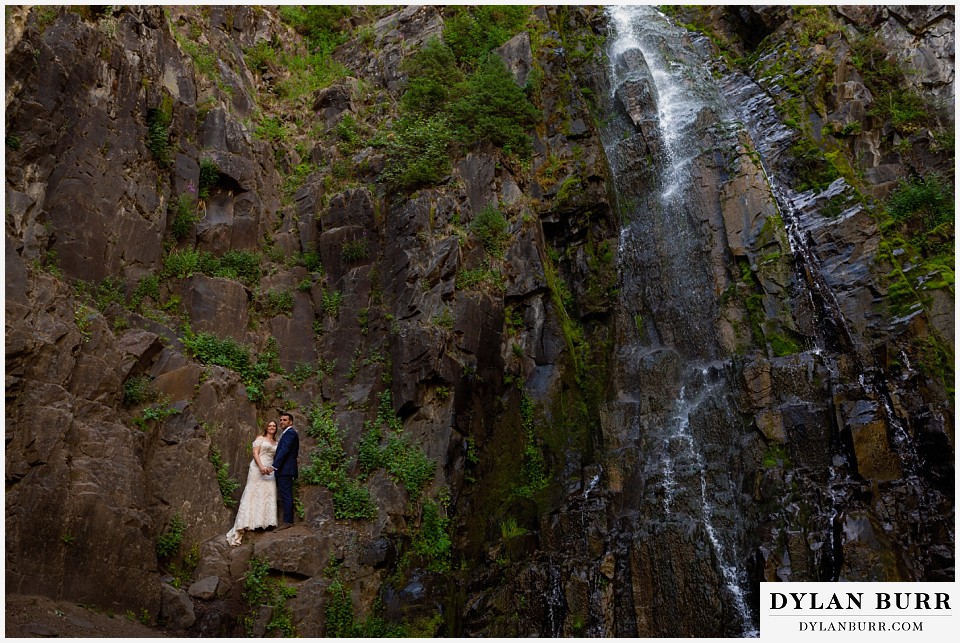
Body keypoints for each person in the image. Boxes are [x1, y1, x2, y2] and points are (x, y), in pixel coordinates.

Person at [226, 421, 279, 546]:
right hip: (257, 468)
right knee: (253, 492)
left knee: (268, 493)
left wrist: (271, 468)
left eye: (274, 426)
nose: (272, 427)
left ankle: (265, 522)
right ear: (266, 427)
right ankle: (247, 522)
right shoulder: (260, 438)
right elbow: (255, 453)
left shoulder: (277, 442)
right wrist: (261, 467)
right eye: (270, 425)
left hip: (270, 470)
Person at [272, 411, 300, 529]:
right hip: (284, 469)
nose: (282, 422)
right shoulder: (286, 433)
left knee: (286, 495)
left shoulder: (290, 434)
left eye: (285, 420)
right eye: (281, 420)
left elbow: (284, 451)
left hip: (285, 470)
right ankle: (288, 520)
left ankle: (288, 521)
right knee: (285, 494)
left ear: (291, 422)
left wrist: (274, 466)